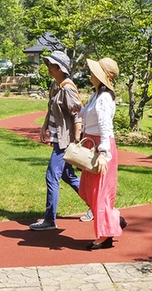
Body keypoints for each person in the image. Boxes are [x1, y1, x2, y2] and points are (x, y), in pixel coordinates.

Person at [29, 50, 86, 231]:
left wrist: (76, 140)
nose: (48, 68)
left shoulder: (67, 89)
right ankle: (96, 206)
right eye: (48, 64)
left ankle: (49, 220)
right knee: (68, 176)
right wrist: (44, 126)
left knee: (51, 176)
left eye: (52, 65)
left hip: (65, 142)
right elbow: (51, 110)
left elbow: (77, 114)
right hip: (58, 139)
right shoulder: (56, 85)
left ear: (61, 68)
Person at [78, 57, 126, 249]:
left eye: (94, 71)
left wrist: (104, 154)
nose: (90, 73)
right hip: (93, 145)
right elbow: (92, 118)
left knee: (100, 193)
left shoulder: (105, 98)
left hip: (101, 147)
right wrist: (80, 110)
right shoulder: (96, 95)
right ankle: (114, 220)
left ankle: (105, 234)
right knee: (87, 189)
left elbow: (105, 127)